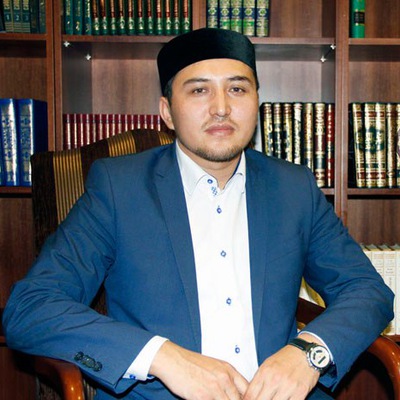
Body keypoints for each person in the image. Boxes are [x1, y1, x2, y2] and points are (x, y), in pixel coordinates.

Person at [2, 28, 394, 400]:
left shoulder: (294, 188)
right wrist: (163, 356)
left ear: (256, 103)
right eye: (199, 90)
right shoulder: (118, 188)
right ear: (167, 112)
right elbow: (31, 308)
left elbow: (367, 291)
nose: (221, 107)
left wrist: (309, 353)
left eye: (237, 88)